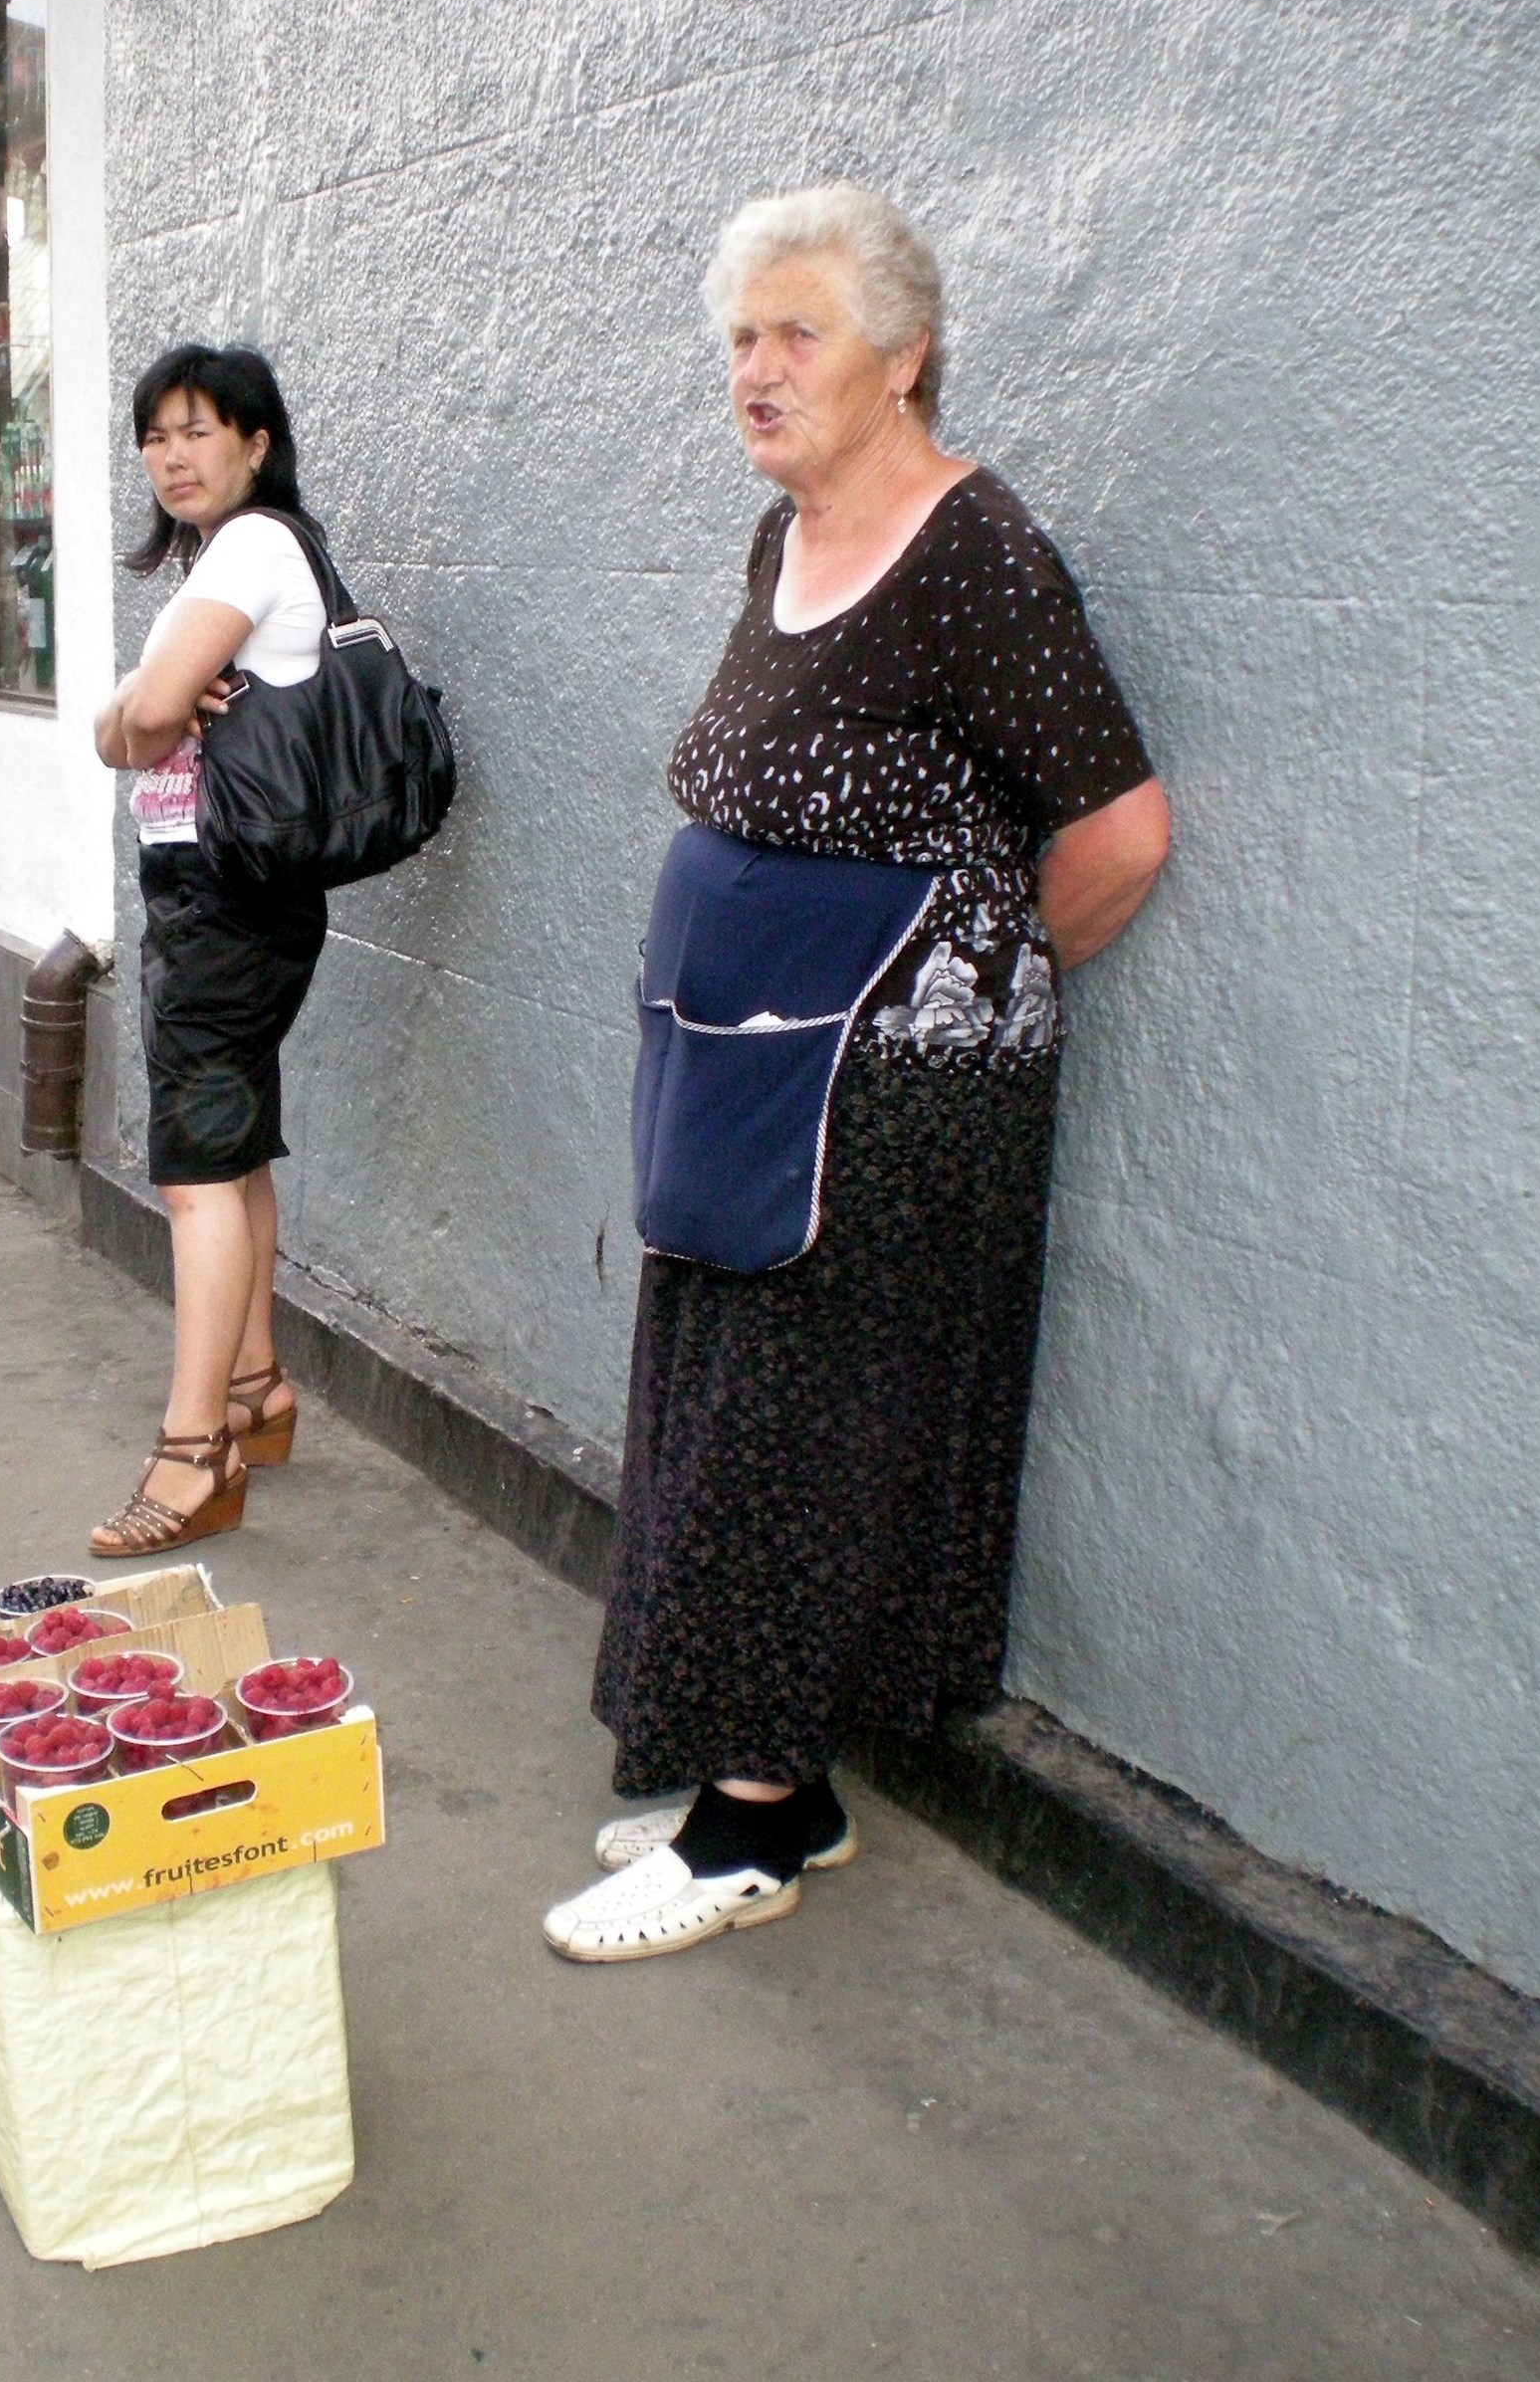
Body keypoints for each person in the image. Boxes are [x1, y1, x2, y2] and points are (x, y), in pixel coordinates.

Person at [544, 185, 1172, 1962]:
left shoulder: (977, 554)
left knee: (799, 1429)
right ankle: (778, 1778)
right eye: (742, 336)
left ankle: (745, 1829)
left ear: (905, 360)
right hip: (752, 1061)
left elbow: (1121, 831)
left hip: (883, 1107)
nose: (757, 368)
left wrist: (960, 991)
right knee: (721, 1392)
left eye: (797, 333)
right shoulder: (784, 537)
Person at [89, 344, 327, 1556]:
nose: (172, 456)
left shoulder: (251, 548)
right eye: (155, 435)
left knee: (192, 1174)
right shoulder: (219, 559)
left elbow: (140, 715)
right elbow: (115, 732)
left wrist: (151, 701)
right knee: (230, 1158)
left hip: (224, 901)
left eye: (198, 432)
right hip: (232, 897)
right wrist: (148, 705)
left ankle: (194, 1458)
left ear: (256, 444)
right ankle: (256, 1389)